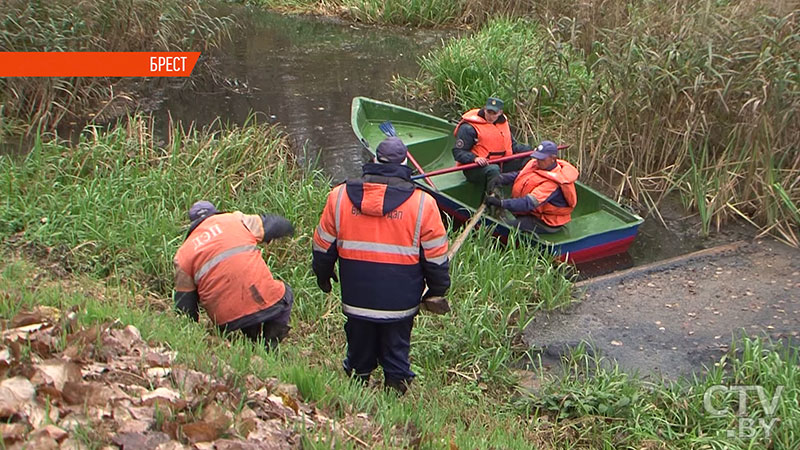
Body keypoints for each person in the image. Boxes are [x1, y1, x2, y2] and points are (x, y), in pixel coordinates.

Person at [312, 137, 451, 395]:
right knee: (396, 349)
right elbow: (436, 257)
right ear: (405, 162)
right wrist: (437, 289)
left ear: (374, 160)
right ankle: (394, 394)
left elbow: (322, 247)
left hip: (356, 297)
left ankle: (357, 392)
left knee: (358, 348)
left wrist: (323, 275)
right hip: (400, 301)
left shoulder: (339, 196)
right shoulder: (422, 203)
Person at [173, 200, 295, 348]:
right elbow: (276, 225)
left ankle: (254, 340)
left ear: (192, 223)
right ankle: (271, 343)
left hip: (224, 320)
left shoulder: (183, 254)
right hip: (261, 299)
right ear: (214, 212)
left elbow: (185, 308)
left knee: (244, 310)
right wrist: (290, 228)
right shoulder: (234, 220)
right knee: (286, 294)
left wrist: (190, 336)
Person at [484, 140, 579, 234]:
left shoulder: (554, 184)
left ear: (553, 159)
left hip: (545, 221)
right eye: (537, 158)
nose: (538, 161)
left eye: (542, 159)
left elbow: (528, 203)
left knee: (502, 227)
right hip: (532, 213)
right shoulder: (539, 165)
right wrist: (501, 178)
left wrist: (501, 203)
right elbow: (521, 175)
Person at [452, 96, 531, 190]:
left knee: (528, 158)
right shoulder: (468, 128)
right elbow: (458, 152)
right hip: (476, 168)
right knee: (493, 170)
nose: (490, 116)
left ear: (500, 112)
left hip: (501, 163)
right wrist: (474, 158)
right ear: (484, 109)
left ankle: (523, 188)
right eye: (489, 112)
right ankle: (493, 197)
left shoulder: (503, 124)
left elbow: (512, 146)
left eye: (494, 113)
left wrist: (531, 150)